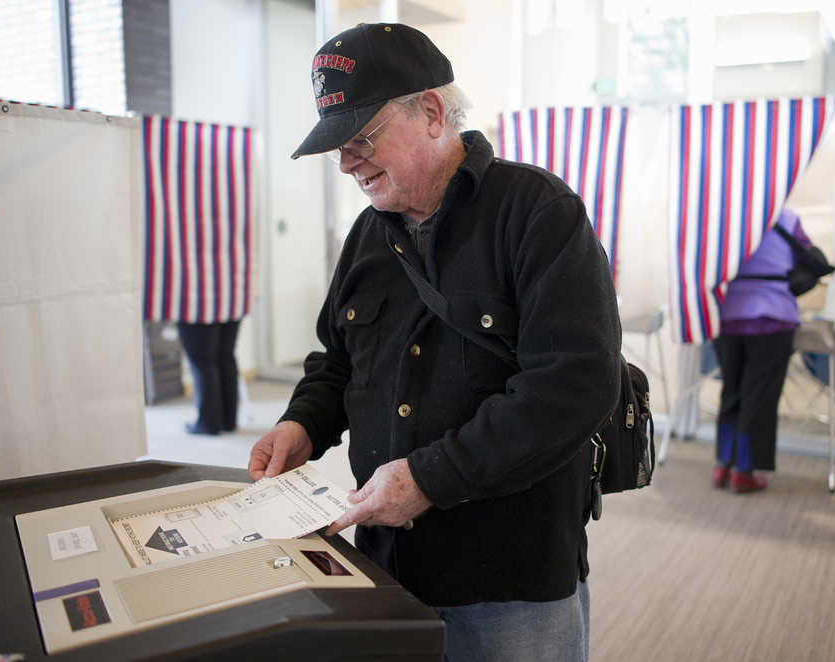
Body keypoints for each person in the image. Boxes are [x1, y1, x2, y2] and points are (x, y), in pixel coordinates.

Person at [247, 22, 620, 662]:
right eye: (338, 146)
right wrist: (303, 423)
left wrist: (428, 478)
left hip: (510, 578)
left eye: (361, 138)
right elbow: (338, 359)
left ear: (430, 112)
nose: (346, 162)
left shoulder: (538, 212)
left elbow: (573, 386)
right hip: (390, 565)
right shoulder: (368, 235)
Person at [711, 207, 813, 493]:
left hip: (728, 313)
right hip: (773, 315)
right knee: (759, 395)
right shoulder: (788, 218)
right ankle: (743, 471)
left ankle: (723, 464)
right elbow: (806, 255)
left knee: (731, 391)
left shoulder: (725, 214)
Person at [177, 320, 241, 435]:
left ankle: (208, 423)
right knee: (226, 358)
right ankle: (228, 421)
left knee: (203, 361)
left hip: (198, 308)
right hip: (231, 304)